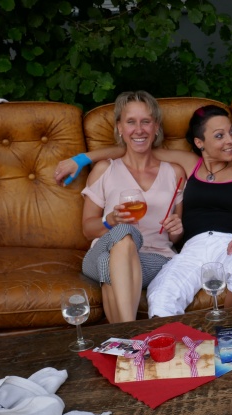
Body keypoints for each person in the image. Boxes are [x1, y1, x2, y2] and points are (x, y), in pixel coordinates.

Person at [55, 105, 232, 317]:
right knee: (161, 298)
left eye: (231, 132)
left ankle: (231, 330)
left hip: (230, 242)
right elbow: (135, 149)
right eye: (219, 135)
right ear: (199, 143)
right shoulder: (191, 164)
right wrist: (83, 159)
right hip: (194, 248)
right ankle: (135, 333)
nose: (230, 140)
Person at [75, 90, 184, 323]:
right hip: (102, 249)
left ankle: (125, 335)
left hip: (155, 256)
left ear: (156, 127)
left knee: (109, 263)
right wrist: (110, 221)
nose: (139, 129)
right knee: (124, 233)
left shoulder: (174, 173)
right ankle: (131, 330)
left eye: (146, 121)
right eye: (131, 122)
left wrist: (177, 229)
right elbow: (87, 229)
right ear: (120, 128)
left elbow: (174, 237)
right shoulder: (104, 169)